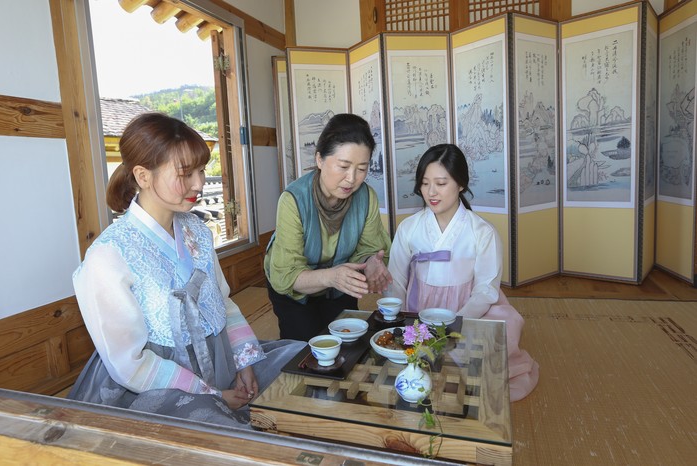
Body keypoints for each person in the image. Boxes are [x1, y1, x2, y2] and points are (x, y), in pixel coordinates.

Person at [68, 113, 304, 428]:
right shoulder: (108, 255)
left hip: (219, 357)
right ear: (143, 176)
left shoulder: (197, 230)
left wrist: (244, 362)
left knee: (303, 360)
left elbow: (221, 303)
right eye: (186, 173)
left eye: (202, 170)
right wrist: (214, 395)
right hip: (155, 384)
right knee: (225, 432)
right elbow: (129, 363)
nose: (199, 183)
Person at [386, 143, 539, 401]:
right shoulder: (409, 228)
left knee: (485, 354)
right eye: (425, 183)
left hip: (468, 310)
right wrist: (400, 319)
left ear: (461, 184)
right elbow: (397, 280)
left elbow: (486, 289)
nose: (431, 192)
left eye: (441, 183)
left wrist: (454, 323)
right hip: (418, 309)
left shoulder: (482, 232)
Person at [265, 113, 392, 341]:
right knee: (304, 347)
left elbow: (369, 247)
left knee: (348, 342)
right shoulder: (293, 200)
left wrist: (371, 261)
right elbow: (288, 275)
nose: (351, 178)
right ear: (320, 160)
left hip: (339, 285)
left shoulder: (366, 197)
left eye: (362, 168)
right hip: (295, 288)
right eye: (343, 166)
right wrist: (331, 277)